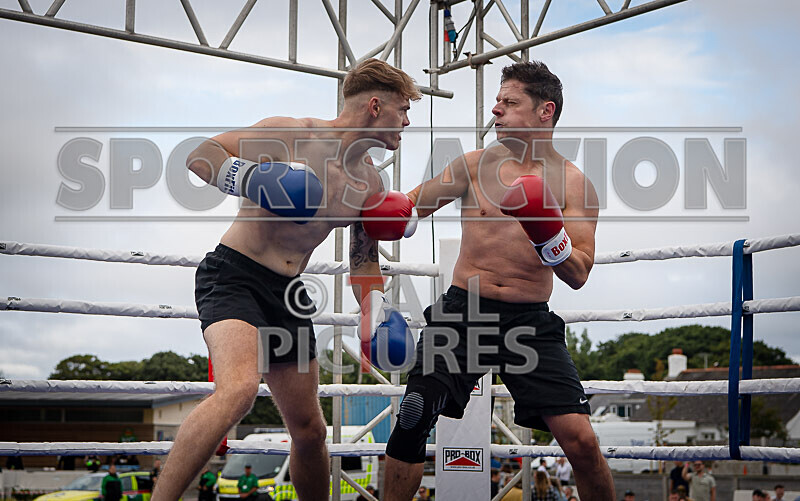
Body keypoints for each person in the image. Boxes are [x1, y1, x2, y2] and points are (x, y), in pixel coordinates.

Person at [151, 58, 422, 501]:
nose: (407, 122)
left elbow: (364, 261)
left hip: (289, 295)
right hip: (235, 275)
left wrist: (373, 306)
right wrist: (251, 177)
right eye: (403, 110)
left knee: (310, 431)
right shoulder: (295, 135)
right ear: (375, 105)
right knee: (238, 390)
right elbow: (200, 155)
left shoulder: (371, 182)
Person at [380, 60, 613, 501]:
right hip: (463, 311)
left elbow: (579, 272)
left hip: (530, 321)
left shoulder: (576, 184)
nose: (496, 112)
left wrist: (548, 236)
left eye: (509, 102)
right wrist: (359, 202)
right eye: (497, 102)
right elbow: (405, 208)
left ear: (546, 111)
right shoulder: (473, 165)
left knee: (581, 442)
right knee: (413, 414)